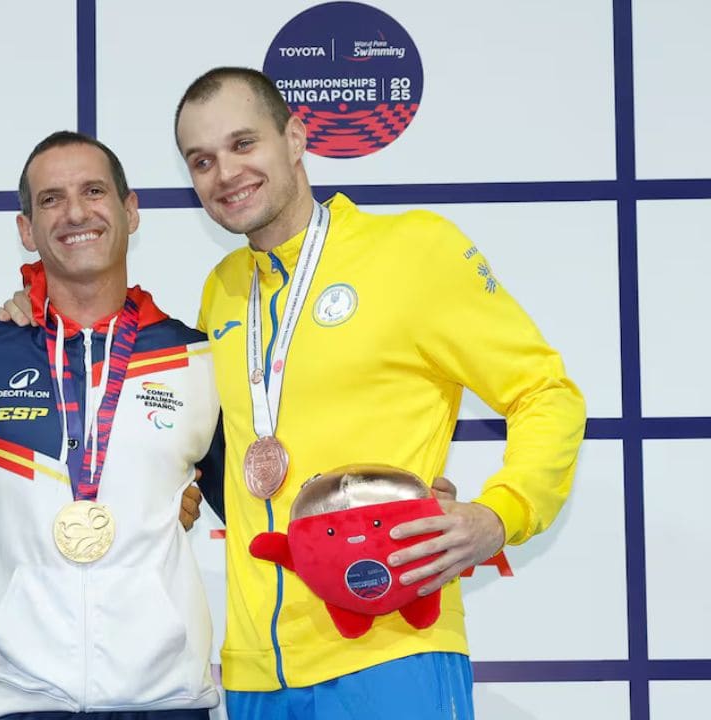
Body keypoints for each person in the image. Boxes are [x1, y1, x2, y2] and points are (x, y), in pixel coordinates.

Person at [171, 67, 587, 719]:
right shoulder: (222, 288)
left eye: (243, 144)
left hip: (392, 649)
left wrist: (500, 513)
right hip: (254, 671)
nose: (225, 173)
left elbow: (545, 392)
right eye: (202, 159)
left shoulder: (414, 250)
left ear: (296, 138)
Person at [0, 131, 226, 719]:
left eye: (93, 191)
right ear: (26, 229)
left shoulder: (197, 358)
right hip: (11, 698)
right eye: (50, 199)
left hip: (166, 699)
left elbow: (260, 502)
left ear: (129, 211)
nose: (75, 212)